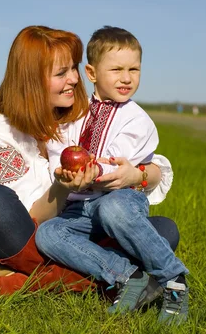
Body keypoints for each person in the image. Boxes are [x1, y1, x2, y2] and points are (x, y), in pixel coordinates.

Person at [0, 25, 178, 301]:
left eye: (73, 68)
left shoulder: (79, 111)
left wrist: (137, 177)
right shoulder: (0, 128)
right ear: (32, 80)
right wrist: (63, 187)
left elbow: (148, 163)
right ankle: (108, 277)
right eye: (61, 73)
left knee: (164, 231)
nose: (74, 79)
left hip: (72, 232)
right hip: (24, 235)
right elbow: (25, 219)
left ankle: (29, 280)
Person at [36, 26, 188, 324]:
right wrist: (64, 172)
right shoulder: (75, 112)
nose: (127, 77)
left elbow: (118, 163)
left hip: (121, 199)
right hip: (81, 207)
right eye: (116, 69)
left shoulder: (138, 120)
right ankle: (127, 275)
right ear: (91, 73)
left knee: (113, 208)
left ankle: (174, 279)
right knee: (49, 233)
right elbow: (60, 149)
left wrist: (93, 170)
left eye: (134, 69)